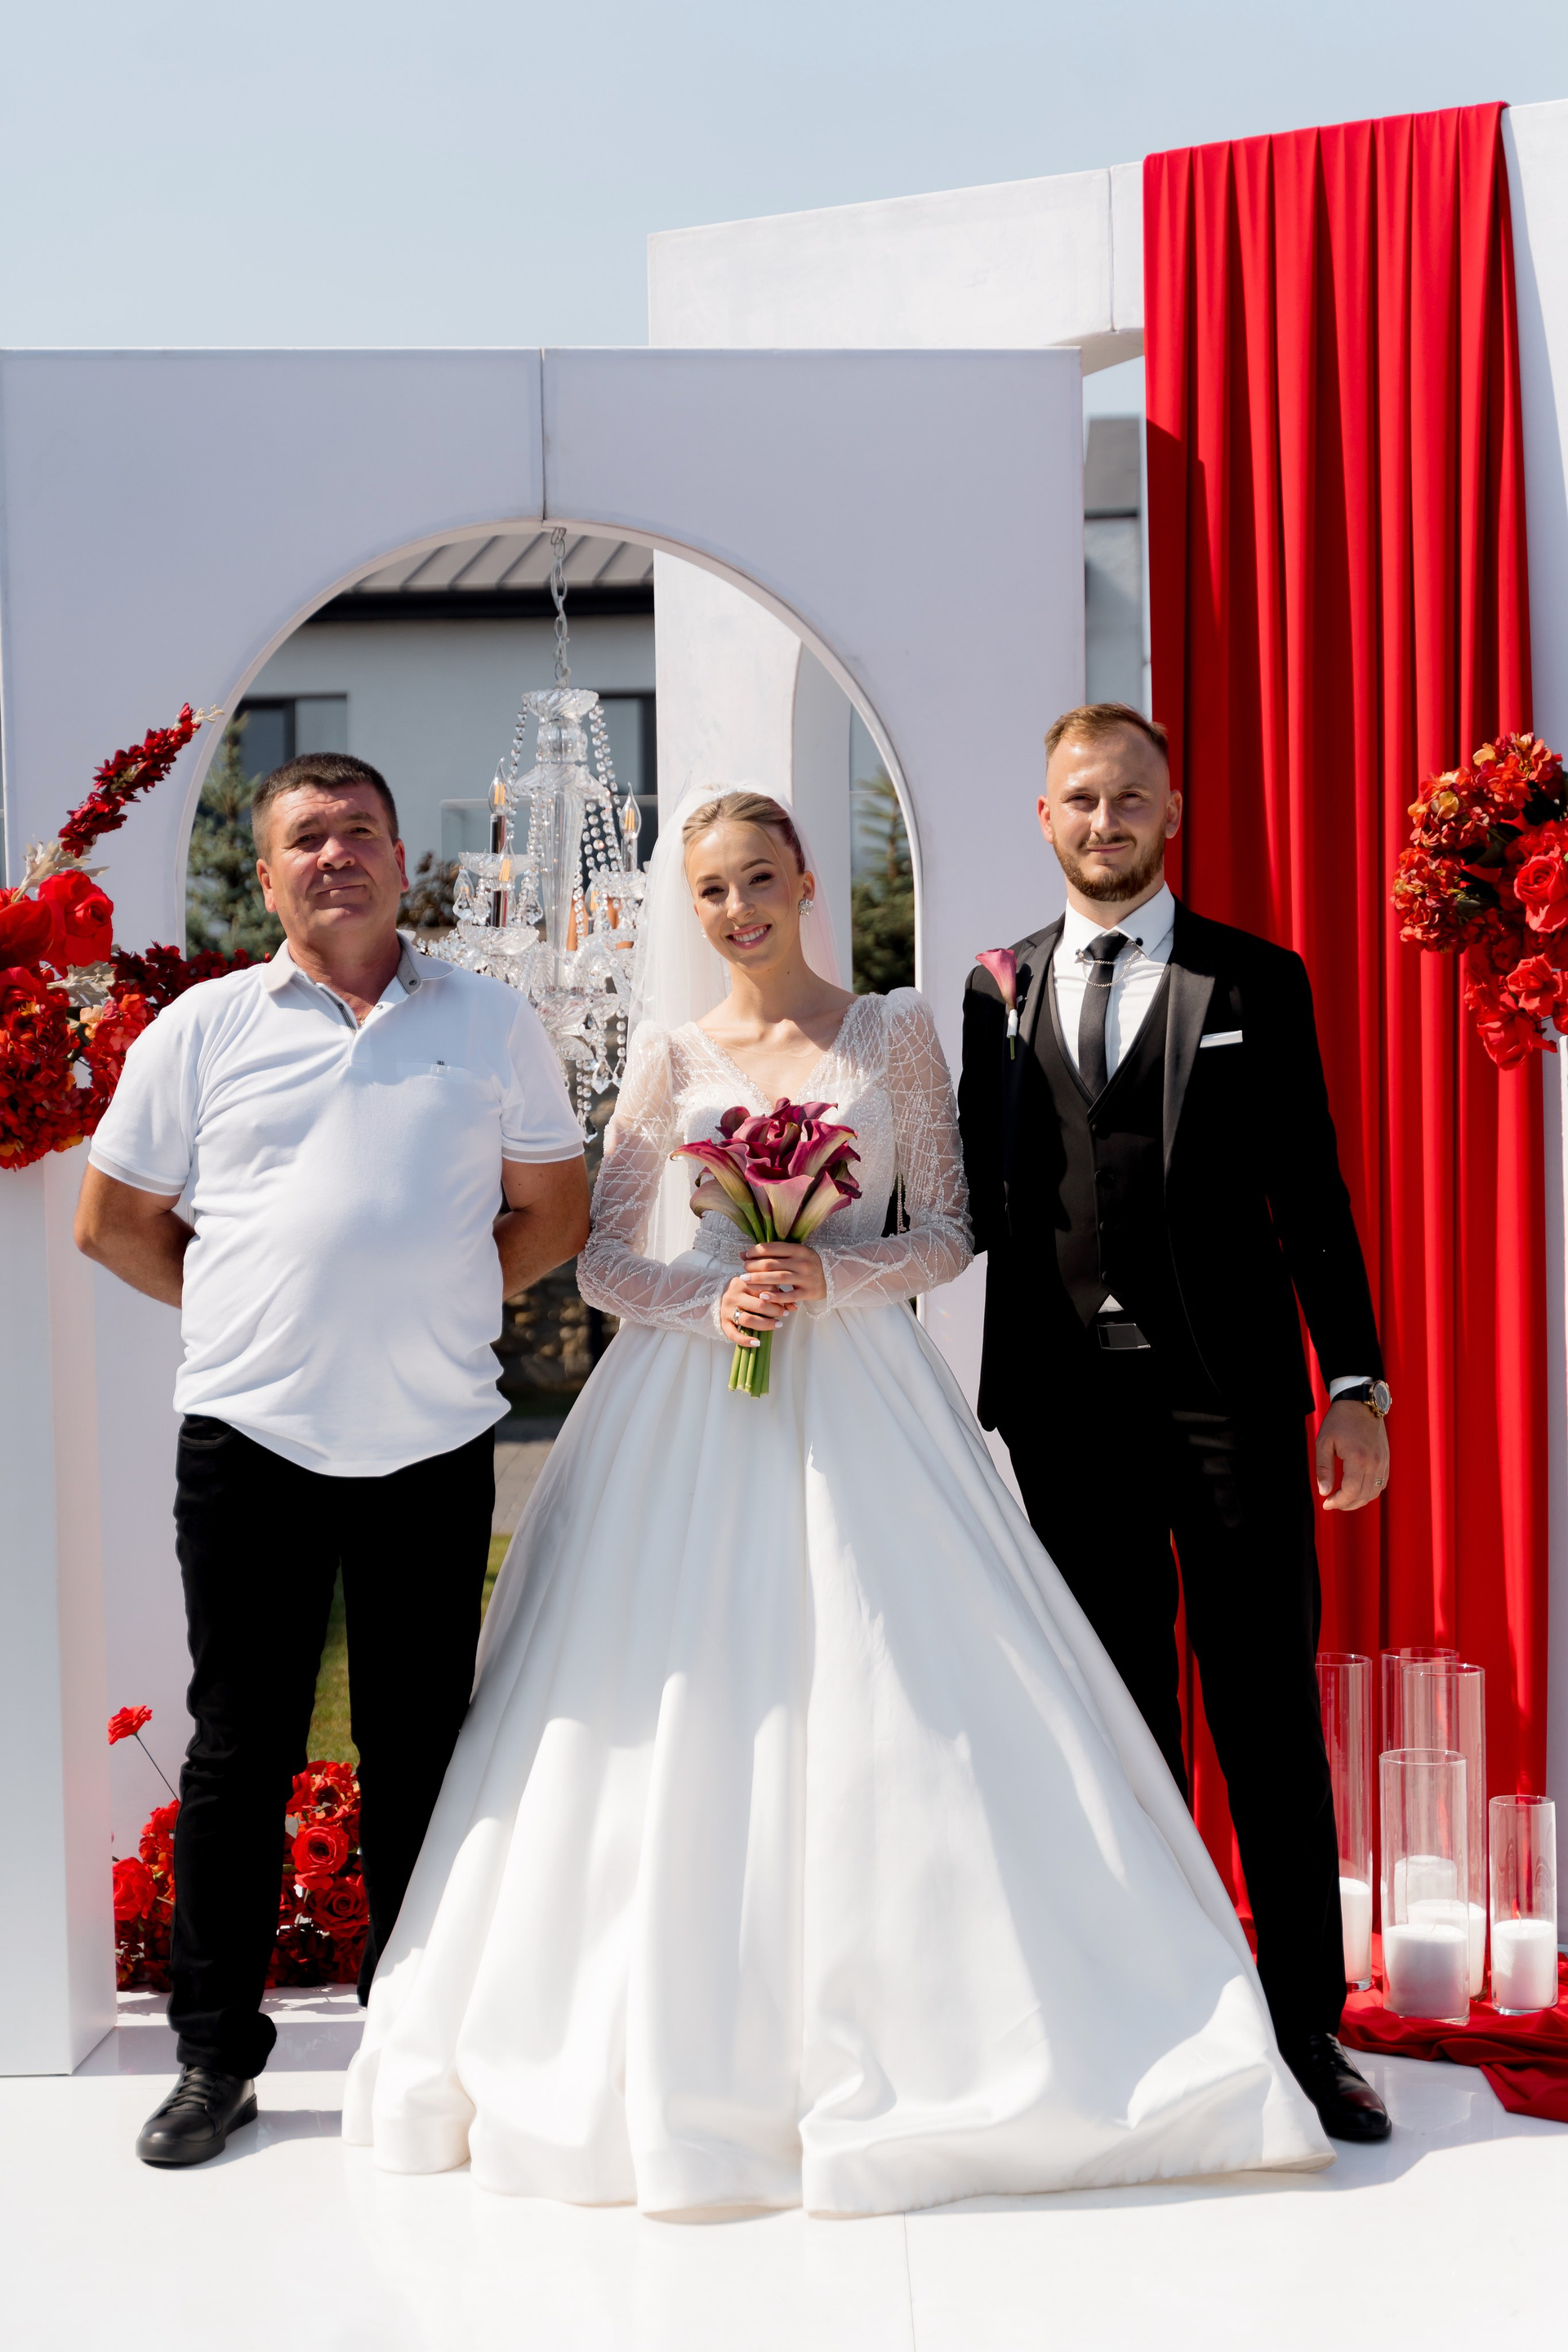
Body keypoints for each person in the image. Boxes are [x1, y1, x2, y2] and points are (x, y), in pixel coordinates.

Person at [342, 783, 1331, 2216]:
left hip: (868, 1394)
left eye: (759, 879)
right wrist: (714, 1298)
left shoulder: (895, 1032)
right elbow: (605, 1259)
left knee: (907, 1687)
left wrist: (828, 1272)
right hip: (692, 1403)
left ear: (806, 883)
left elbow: (954, 1228)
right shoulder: (671, 1054)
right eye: (711, 891)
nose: (737, 909)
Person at [76, 751, 590, 2168]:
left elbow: (553, 1210)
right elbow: (113, 1221)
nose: (337, 855)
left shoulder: (490, 1020)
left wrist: (441, 1299)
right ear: (267, 877)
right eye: (307, 837)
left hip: (432, 1442)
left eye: (360, 830)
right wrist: (247, 1310)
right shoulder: (202, 1028)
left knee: (419, 1749)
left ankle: (414, 2052)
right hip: (251, 1440)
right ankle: (211, 2060)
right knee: (238, 1753)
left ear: (401, 858)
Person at [958, 702, 1392, 2145]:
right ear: (1045, 816)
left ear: (1173, 812)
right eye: (1081, 798)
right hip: (1062, 1412)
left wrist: (1356, 1386)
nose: (1106, 821)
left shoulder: (1256, 978)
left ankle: (1307, 2027)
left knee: (1264, 1708)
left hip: (1231, 1400)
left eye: (1130, 797)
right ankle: (1151, 2016)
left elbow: (1312, 1196)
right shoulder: (994, 988)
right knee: (1117, 1719)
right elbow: (971, 1197)